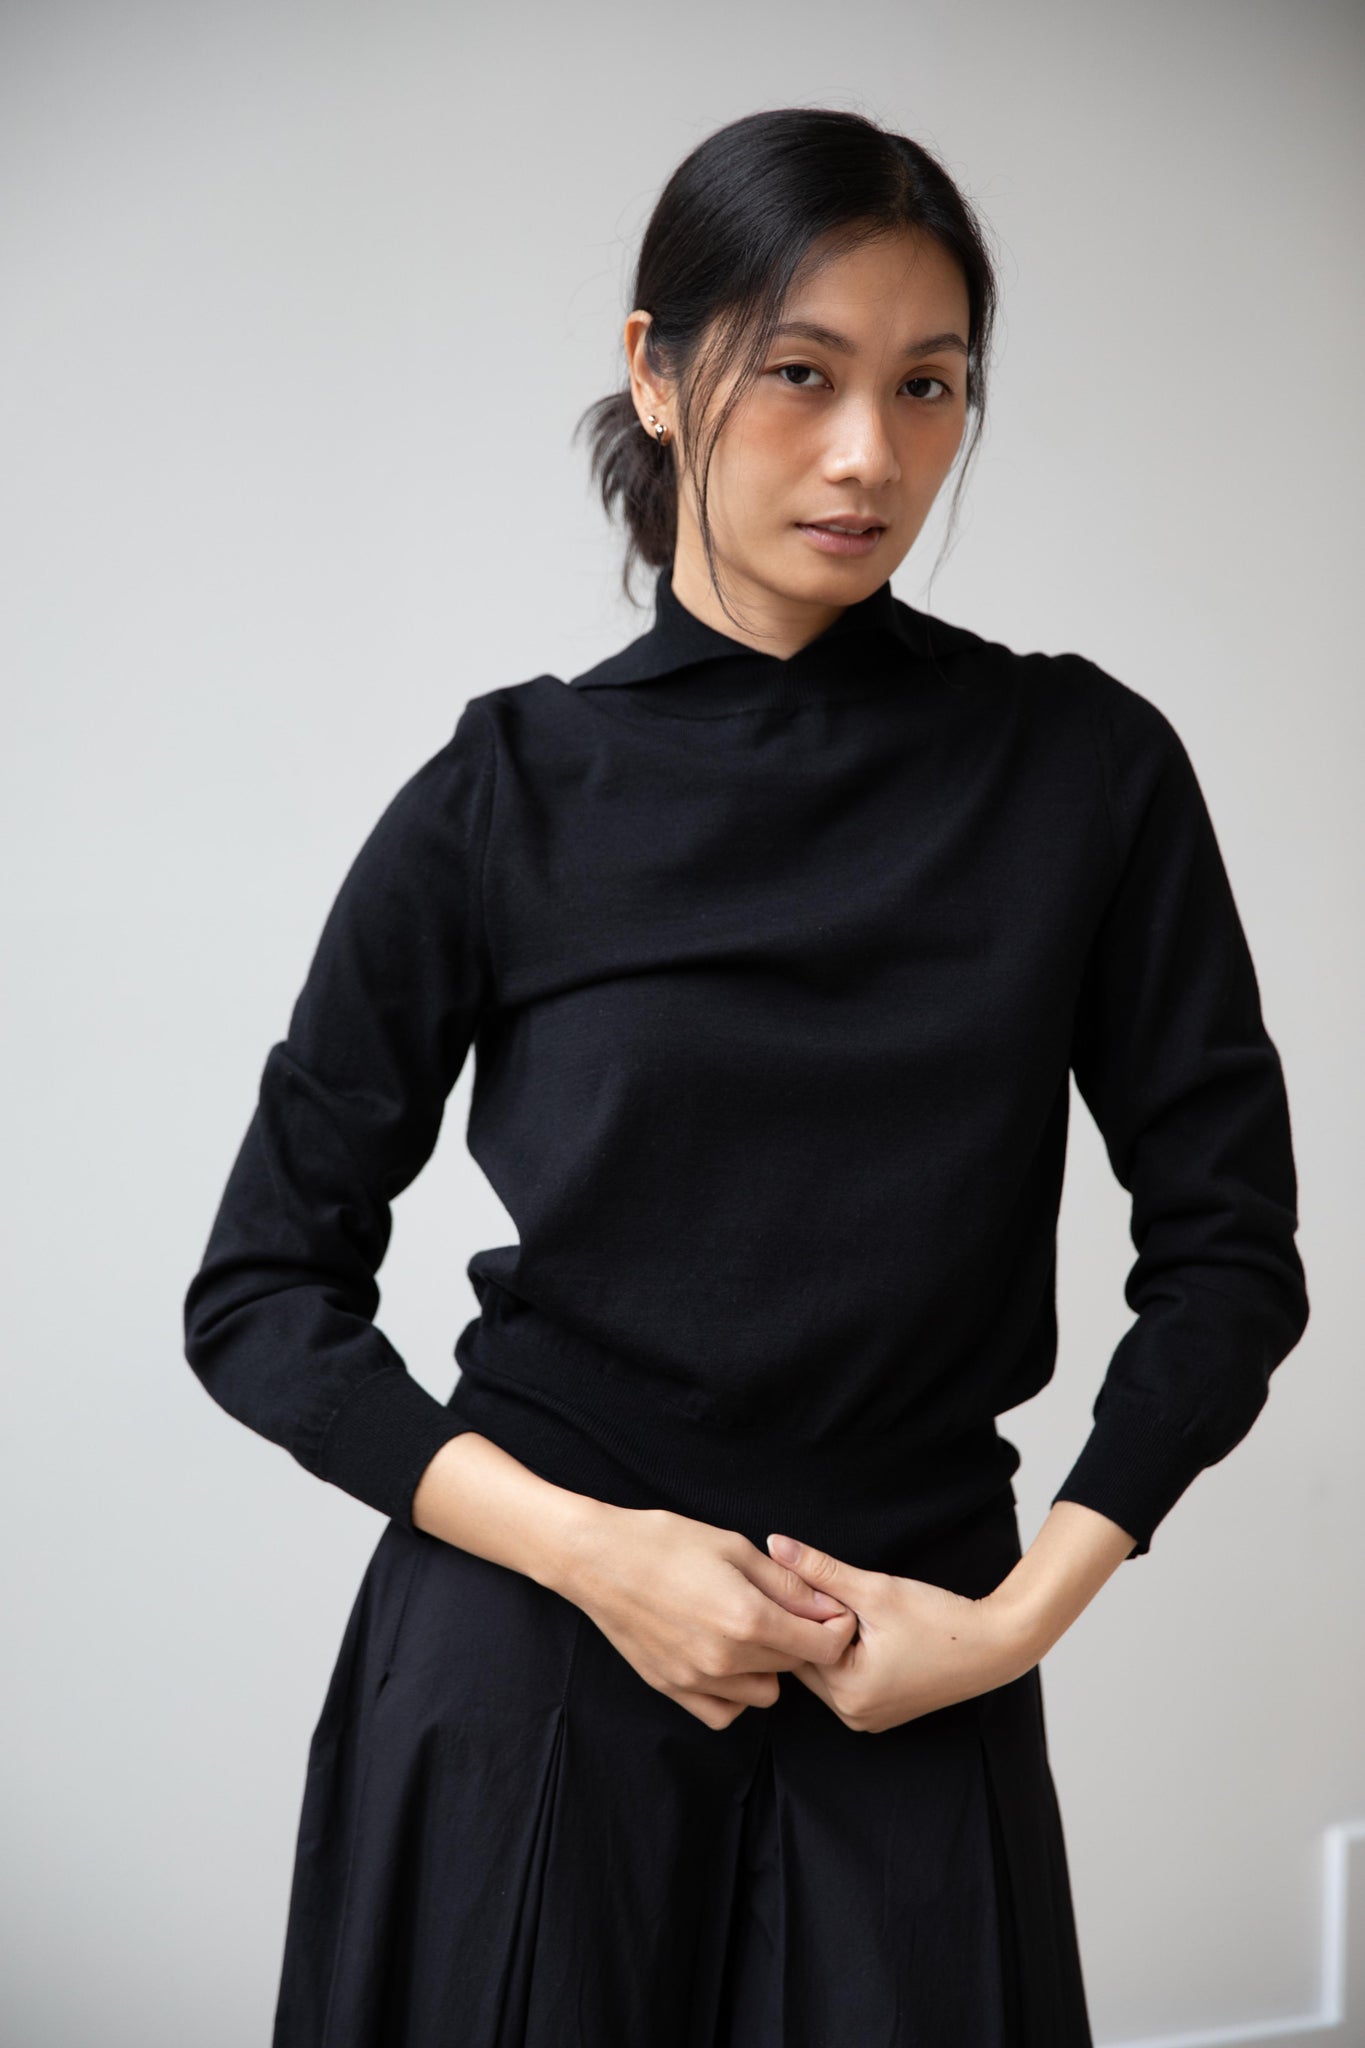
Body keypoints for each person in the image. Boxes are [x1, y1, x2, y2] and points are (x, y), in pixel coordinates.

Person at [182, 106, 1309, 2048]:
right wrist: (594, 1556)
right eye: (801, 372)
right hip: (532, 1664)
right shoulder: (504, 792)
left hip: (915, 1662)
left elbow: (1227, 1257)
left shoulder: (1080, 771)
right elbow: (260, 1294)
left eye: (927, 384)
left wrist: (1010, 1622)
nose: (869, 451)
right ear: (657, 368)